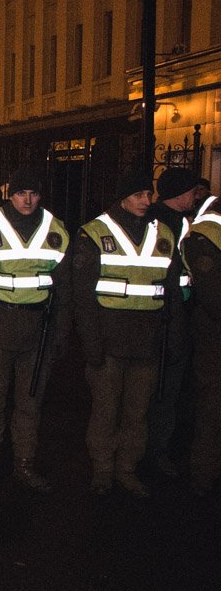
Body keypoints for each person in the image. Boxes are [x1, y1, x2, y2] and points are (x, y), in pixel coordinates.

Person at [74, 170, 183, 498]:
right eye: (138, 195)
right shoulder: (94, 233)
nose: (146, 201)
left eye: (148, 195)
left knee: (137, 413)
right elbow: (83, 297)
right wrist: (91, 346)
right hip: (109, 343)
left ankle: (127, 469)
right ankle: (103, 470)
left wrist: (175, 338)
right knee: (105, 412)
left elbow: (172, 293)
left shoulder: (162, 233)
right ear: (122, 197)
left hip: (147, 343)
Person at [0, 168, 70, 493]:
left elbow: (66, 289)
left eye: (34, 193)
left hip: (38, 328)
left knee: (30, 404)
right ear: (9, 194)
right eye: (21, 193)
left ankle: (24, 466)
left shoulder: (57, 230)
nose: (27, 200)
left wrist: (59, 335)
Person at [145, 167, 198, 477]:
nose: (196, 196)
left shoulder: (171, 221)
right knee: (162, 389)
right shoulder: (169, 224)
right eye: (192, 190)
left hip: (168, 311)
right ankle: (155, 451)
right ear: (180, 193)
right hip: (167, 314)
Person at [183, 198, 221, 496]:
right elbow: (211, 294)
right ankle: (203, 475)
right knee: (212, 406)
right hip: (213, 333)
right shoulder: (205, 234)